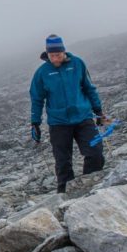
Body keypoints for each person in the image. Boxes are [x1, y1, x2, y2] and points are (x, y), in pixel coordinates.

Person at [30, 34, 106, 194]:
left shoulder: (77, 64)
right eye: (51, 56)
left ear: (64, 51)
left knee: (96, 153)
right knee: (63, 162)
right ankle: (65, 195)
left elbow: (89, 88)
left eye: (58, 55)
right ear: (47, 54)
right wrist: (35, 123)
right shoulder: (42, 73)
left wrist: (98, 111)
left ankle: (90, 187)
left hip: (83, 118)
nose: (55, 59)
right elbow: (37, 98)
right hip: (59, 123)